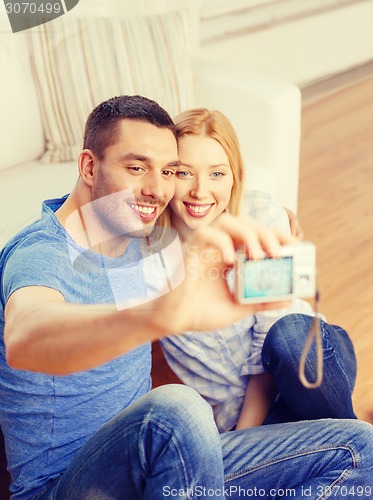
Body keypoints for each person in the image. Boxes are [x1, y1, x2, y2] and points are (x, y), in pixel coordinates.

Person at [0, 95, 372, 500]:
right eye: (136, 167)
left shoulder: (136, 240)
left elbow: (199, 207)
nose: (156, 188)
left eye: (167, 171)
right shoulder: (40, 255)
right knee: (177, 408)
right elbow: (26, 333)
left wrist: (266, 214)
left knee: (361, 448)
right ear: (89, 167)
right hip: (66, 485)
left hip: (161, 470)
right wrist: (159, 315)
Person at [161, 108, 357, 431]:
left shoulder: (262, 214)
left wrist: (244, 437)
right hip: (249, 420)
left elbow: (276, 342)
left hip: (313, 366)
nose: (200, 190)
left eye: (217, 174)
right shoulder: (146, 254)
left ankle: (360, 446)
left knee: (287, 335)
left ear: (235, 175)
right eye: (184, 173)